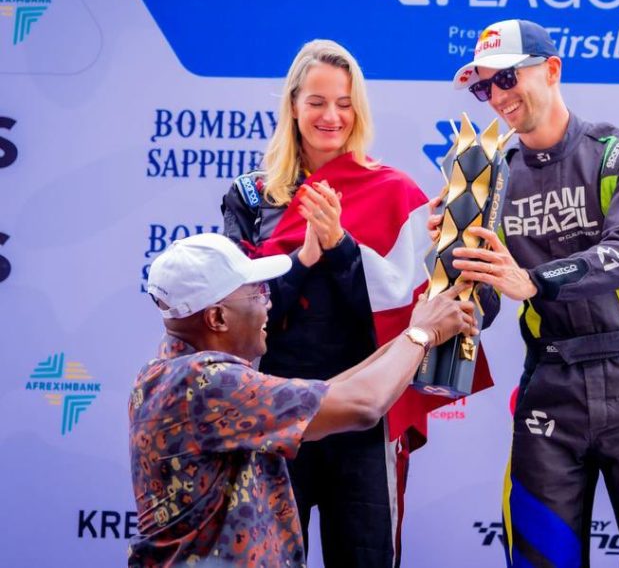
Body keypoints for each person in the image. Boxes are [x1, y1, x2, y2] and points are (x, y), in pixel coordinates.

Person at [436, 19, 619, 567]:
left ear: (552, 69)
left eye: (507, 77)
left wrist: (534, 280)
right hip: (549, 390)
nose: (498, 97)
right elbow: (485, 303)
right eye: (484, 87)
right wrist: (450, 263)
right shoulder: (491, 180)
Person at [221, 39, 491, 567]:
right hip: (275, 410)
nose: (331, 116)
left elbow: (407, 312)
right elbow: (238, 314)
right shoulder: (252, 196)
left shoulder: (396, 193)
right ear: (293, 105)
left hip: (365, 416)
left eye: (344, 103)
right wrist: (306, 257)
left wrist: (345, 246)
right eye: (317, 102)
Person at [129, 233, 477, 567]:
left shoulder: (173, 376)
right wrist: (422, 334)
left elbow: (328, 394)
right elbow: (363, 405)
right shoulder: (208, 383)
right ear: (217, 317)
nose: (268, 303)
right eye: (257, 294)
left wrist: (408, 335)